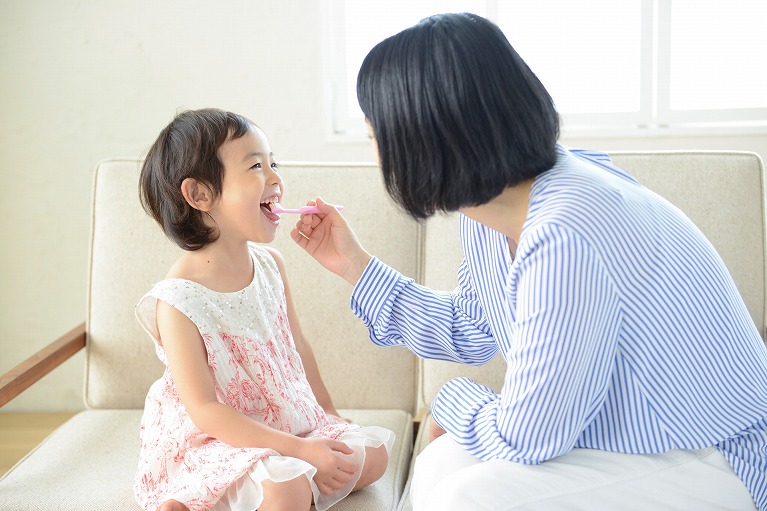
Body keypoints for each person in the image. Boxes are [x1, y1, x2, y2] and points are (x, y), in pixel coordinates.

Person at [290, 12, 767, 511]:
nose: (378, 159)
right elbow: (472, 326)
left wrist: (453, 401)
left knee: (467, 496)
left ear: (424, 140)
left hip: (713, 455)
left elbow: (528, 437)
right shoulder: (493, 210)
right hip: (628, 443)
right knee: (441, 463)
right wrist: (354, 266)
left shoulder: (566, 231)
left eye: (374, 137)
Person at [133, 108, 392, 511]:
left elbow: (298, 348)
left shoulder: (272, 266)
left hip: (288, 423)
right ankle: (191, 496)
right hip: (223, 438)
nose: (275, 178)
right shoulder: (177, 301)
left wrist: (328, 414)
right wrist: (301, 452)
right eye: (256, 166)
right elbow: (205, 411)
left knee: (375, 454)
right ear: (200, 195)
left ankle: (271, 481)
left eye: (274, 163)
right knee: (286, 491)